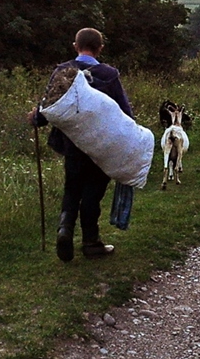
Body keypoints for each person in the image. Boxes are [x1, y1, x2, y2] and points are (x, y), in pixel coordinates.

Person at [29, 28, 134, 262]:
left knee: (72, 189)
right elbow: (126, 112)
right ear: (100, 48)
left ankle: (64, 230)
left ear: (75, 46)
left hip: (72, 146)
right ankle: (91, 243)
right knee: (92, 194)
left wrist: (36, 118)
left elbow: (49, 107)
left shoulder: (63, 71)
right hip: (100, 148)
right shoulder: (108, 75)